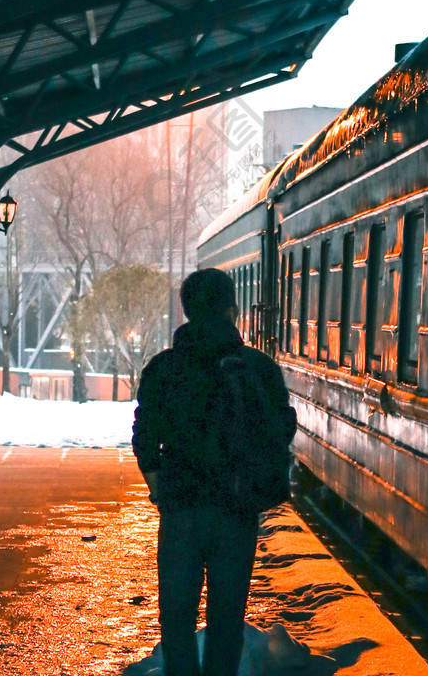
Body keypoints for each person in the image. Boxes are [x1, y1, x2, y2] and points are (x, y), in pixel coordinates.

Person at [132, 268, 297, 676]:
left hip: (181, 508)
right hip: (237, 509)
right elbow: (281, 431)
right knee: (227, 618)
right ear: (233, 310)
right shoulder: (258, 368)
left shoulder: (164, 369)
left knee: (177, 616)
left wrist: (160, 490)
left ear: (186, 310)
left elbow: (145, 439)